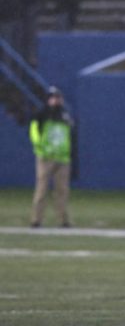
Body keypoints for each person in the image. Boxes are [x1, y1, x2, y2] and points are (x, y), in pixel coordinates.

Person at [29, 86, 75, 228]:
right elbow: (34, 131)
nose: (56, 100)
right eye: (53, 97)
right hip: (46, 157)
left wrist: (69, 153)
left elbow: (69, 135)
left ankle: (63, 220)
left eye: (57, 97)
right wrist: (39, 147)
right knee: (42, 189)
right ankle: (36, 219)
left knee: (62, 191)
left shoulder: (65, 115)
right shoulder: (41, 114)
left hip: (62, 158)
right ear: (48, 99)